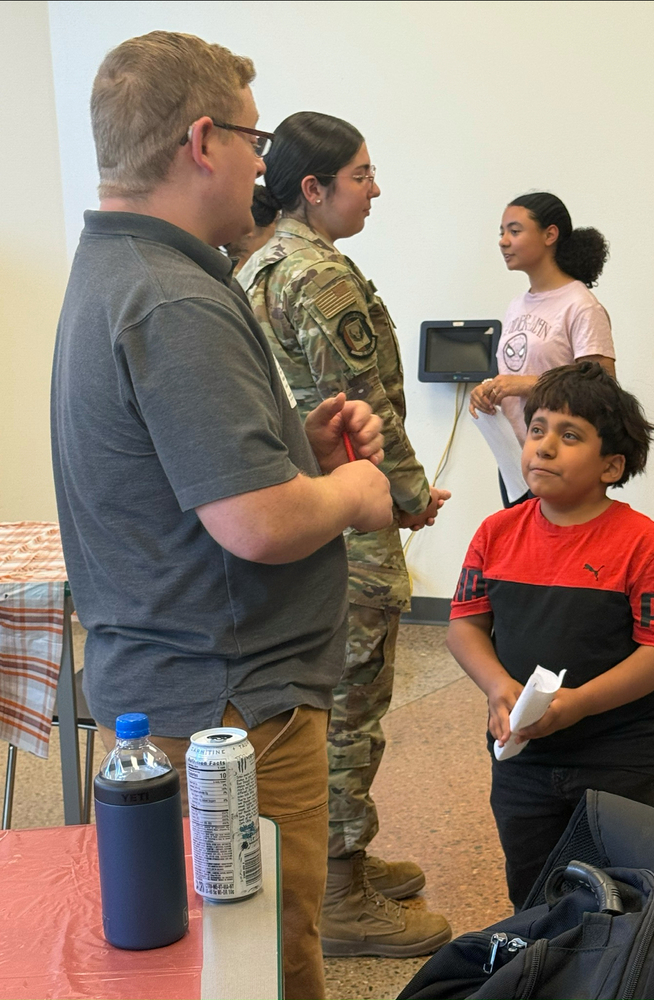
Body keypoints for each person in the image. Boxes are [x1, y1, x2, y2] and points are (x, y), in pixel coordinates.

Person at [50, 32, 393, 1000]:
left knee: (210, 957)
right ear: (203, 142)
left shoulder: (122, 268)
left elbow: (188, 476)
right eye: (254, 139)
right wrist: (356, 493)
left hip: (182, 683)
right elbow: (257, 525)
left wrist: (296, 453)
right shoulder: (173, 298)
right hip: (232, 705)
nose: (262, 164)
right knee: (265, 962)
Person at [238, 111, 452, 958]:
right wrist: (409, 499)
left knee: (325, 699)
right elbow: (362, 406)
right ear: (314, 187)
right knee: (353, 704)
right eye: (361, 175)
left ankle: (336, 862)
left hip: (303, 509)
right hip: (348, 520)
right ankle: (339, 890)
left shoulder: (258, 263)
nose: (375, 189)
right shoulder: (318, 275)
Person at [448, 361, 654, 910]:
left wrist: (579, 703)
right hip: (523, 760)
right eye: (537, 429)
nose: (545, 446)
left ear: (612, 465)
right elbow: (465, 625)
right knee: (535, 896)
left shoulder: (648, 546)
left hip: (622, 760)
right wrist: (497, 686)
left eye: (570, 435)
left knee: (631, 901)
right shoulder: (495, 533)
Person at [469, 192, 616, 507]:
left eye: (514, 231)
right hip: (517, 459)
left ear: (550, 235)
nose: (503, 242)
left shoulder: (580, 305)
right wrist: (490, 390)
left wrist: (520, 384)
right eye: (501, 232)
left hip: (560, 462)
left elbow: (602, 385)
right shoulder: (516, 305)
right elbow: (517, 371)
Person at [224, 182, 280, 271]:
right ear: (249, 228)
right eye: (275, 222)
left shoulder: (215, 272)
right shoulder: (273, 275)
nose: (277, 229)